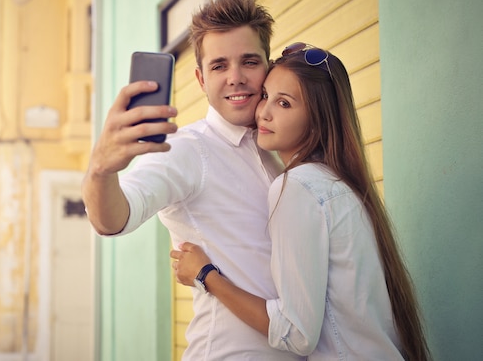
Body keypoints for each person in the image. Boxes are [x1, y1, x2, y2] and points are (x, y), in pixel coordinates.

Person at [171, 43, 432, 360]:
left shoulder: (298, 187)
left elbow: (296, 334)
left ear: (318, 118)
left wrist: (206, 276)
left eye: (284, 103)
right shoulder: (340, 184)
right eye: (265, 95)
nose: (264, 112)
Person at [82, 0, 302, 360]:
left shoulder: (280, 148)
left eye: (249, 61)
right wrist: (101, 169)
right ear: (201, 79)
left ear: (269, 66)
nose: (236, 78)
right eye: (219, 66)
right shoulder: (186, 149)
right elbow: (113, 218)